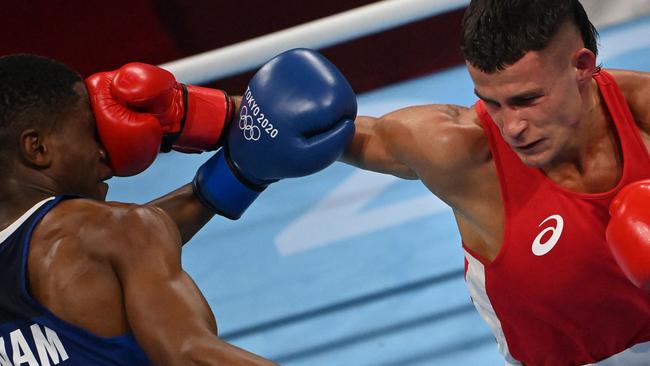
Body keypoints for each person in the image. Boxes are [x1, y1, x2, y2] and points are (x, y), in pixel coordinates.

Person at [340, 0, 650, 364]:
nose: (512, 127)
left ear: (582, 66)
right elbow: (351, 135)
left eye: (528, 99)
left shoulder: (642, 111)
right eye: (492, 103)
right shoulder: (463, 153)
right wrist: (269, 122)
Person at [0, 49, 356, 365]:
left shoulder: (107, 240)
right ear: (37, 149)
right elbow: (189, 354)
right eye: (90, 132)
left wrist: (233, 178)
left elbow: (101, 254)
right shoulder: (114, 232)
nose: (105, 155)